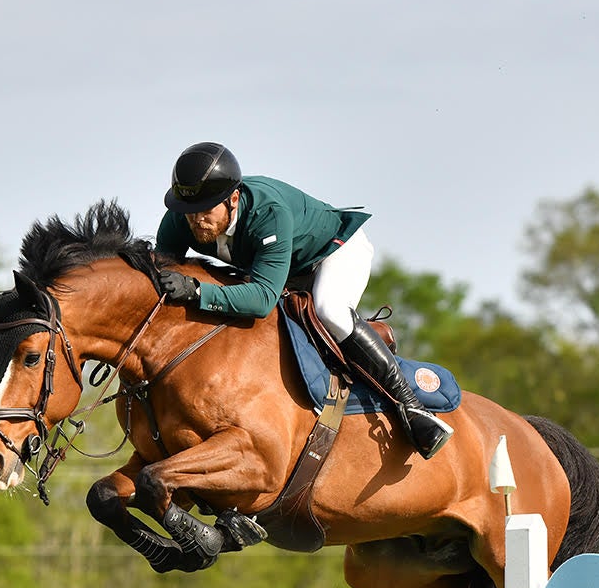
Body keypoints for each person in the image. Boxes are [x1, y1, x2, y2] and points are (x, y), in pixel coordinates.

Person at [152, 142, 452, 459]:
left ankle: (413, 409)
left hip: (334, 253)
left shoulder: (267, 213)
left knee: (329, 311)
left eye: (206, 210)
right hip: (282, 271)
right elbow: (159, 278)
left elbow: (262, 298)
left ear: (234, 199)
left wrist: (198, 292)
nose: (196, 220)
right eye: (189, 211)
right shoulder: (180, 219)